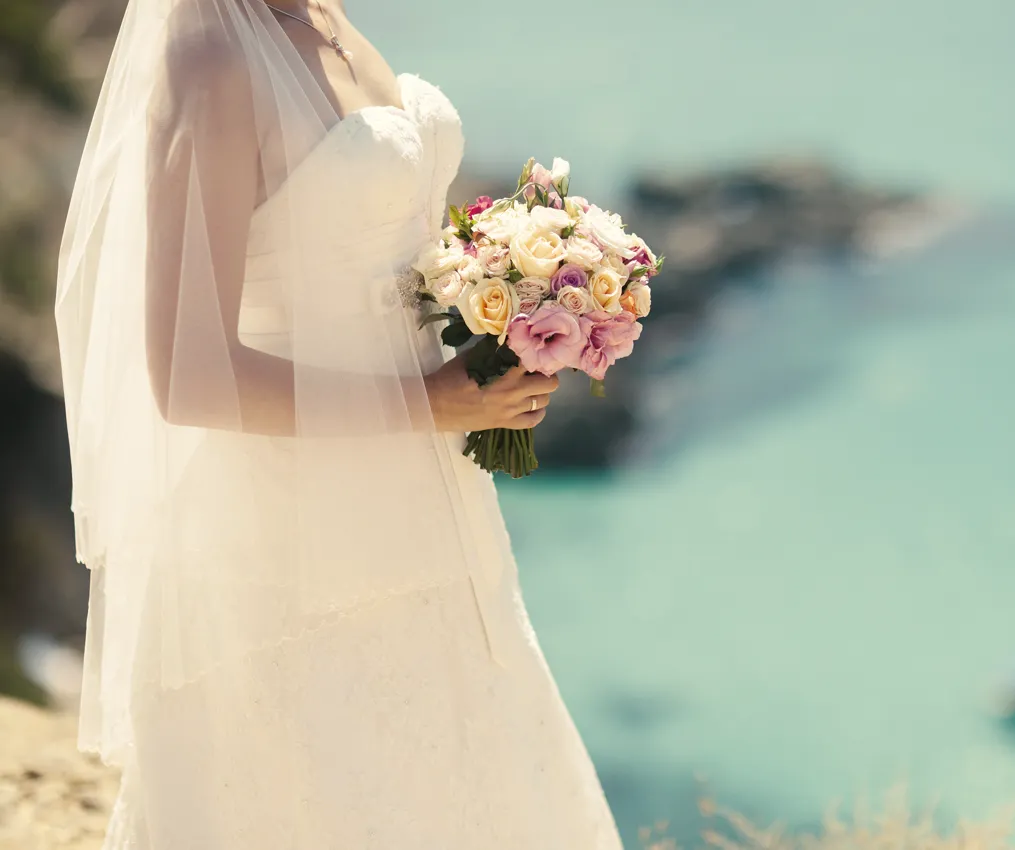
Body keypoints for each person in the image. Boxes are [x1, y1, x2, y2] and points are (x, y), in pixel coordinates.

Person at [53, 1, 622, 846]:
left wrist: (517, 305)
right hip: (289, 543)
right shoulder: (209, 56)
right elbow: (185, 375)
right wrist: (431, 402)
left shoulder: (324, 17)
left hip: (435, 507)